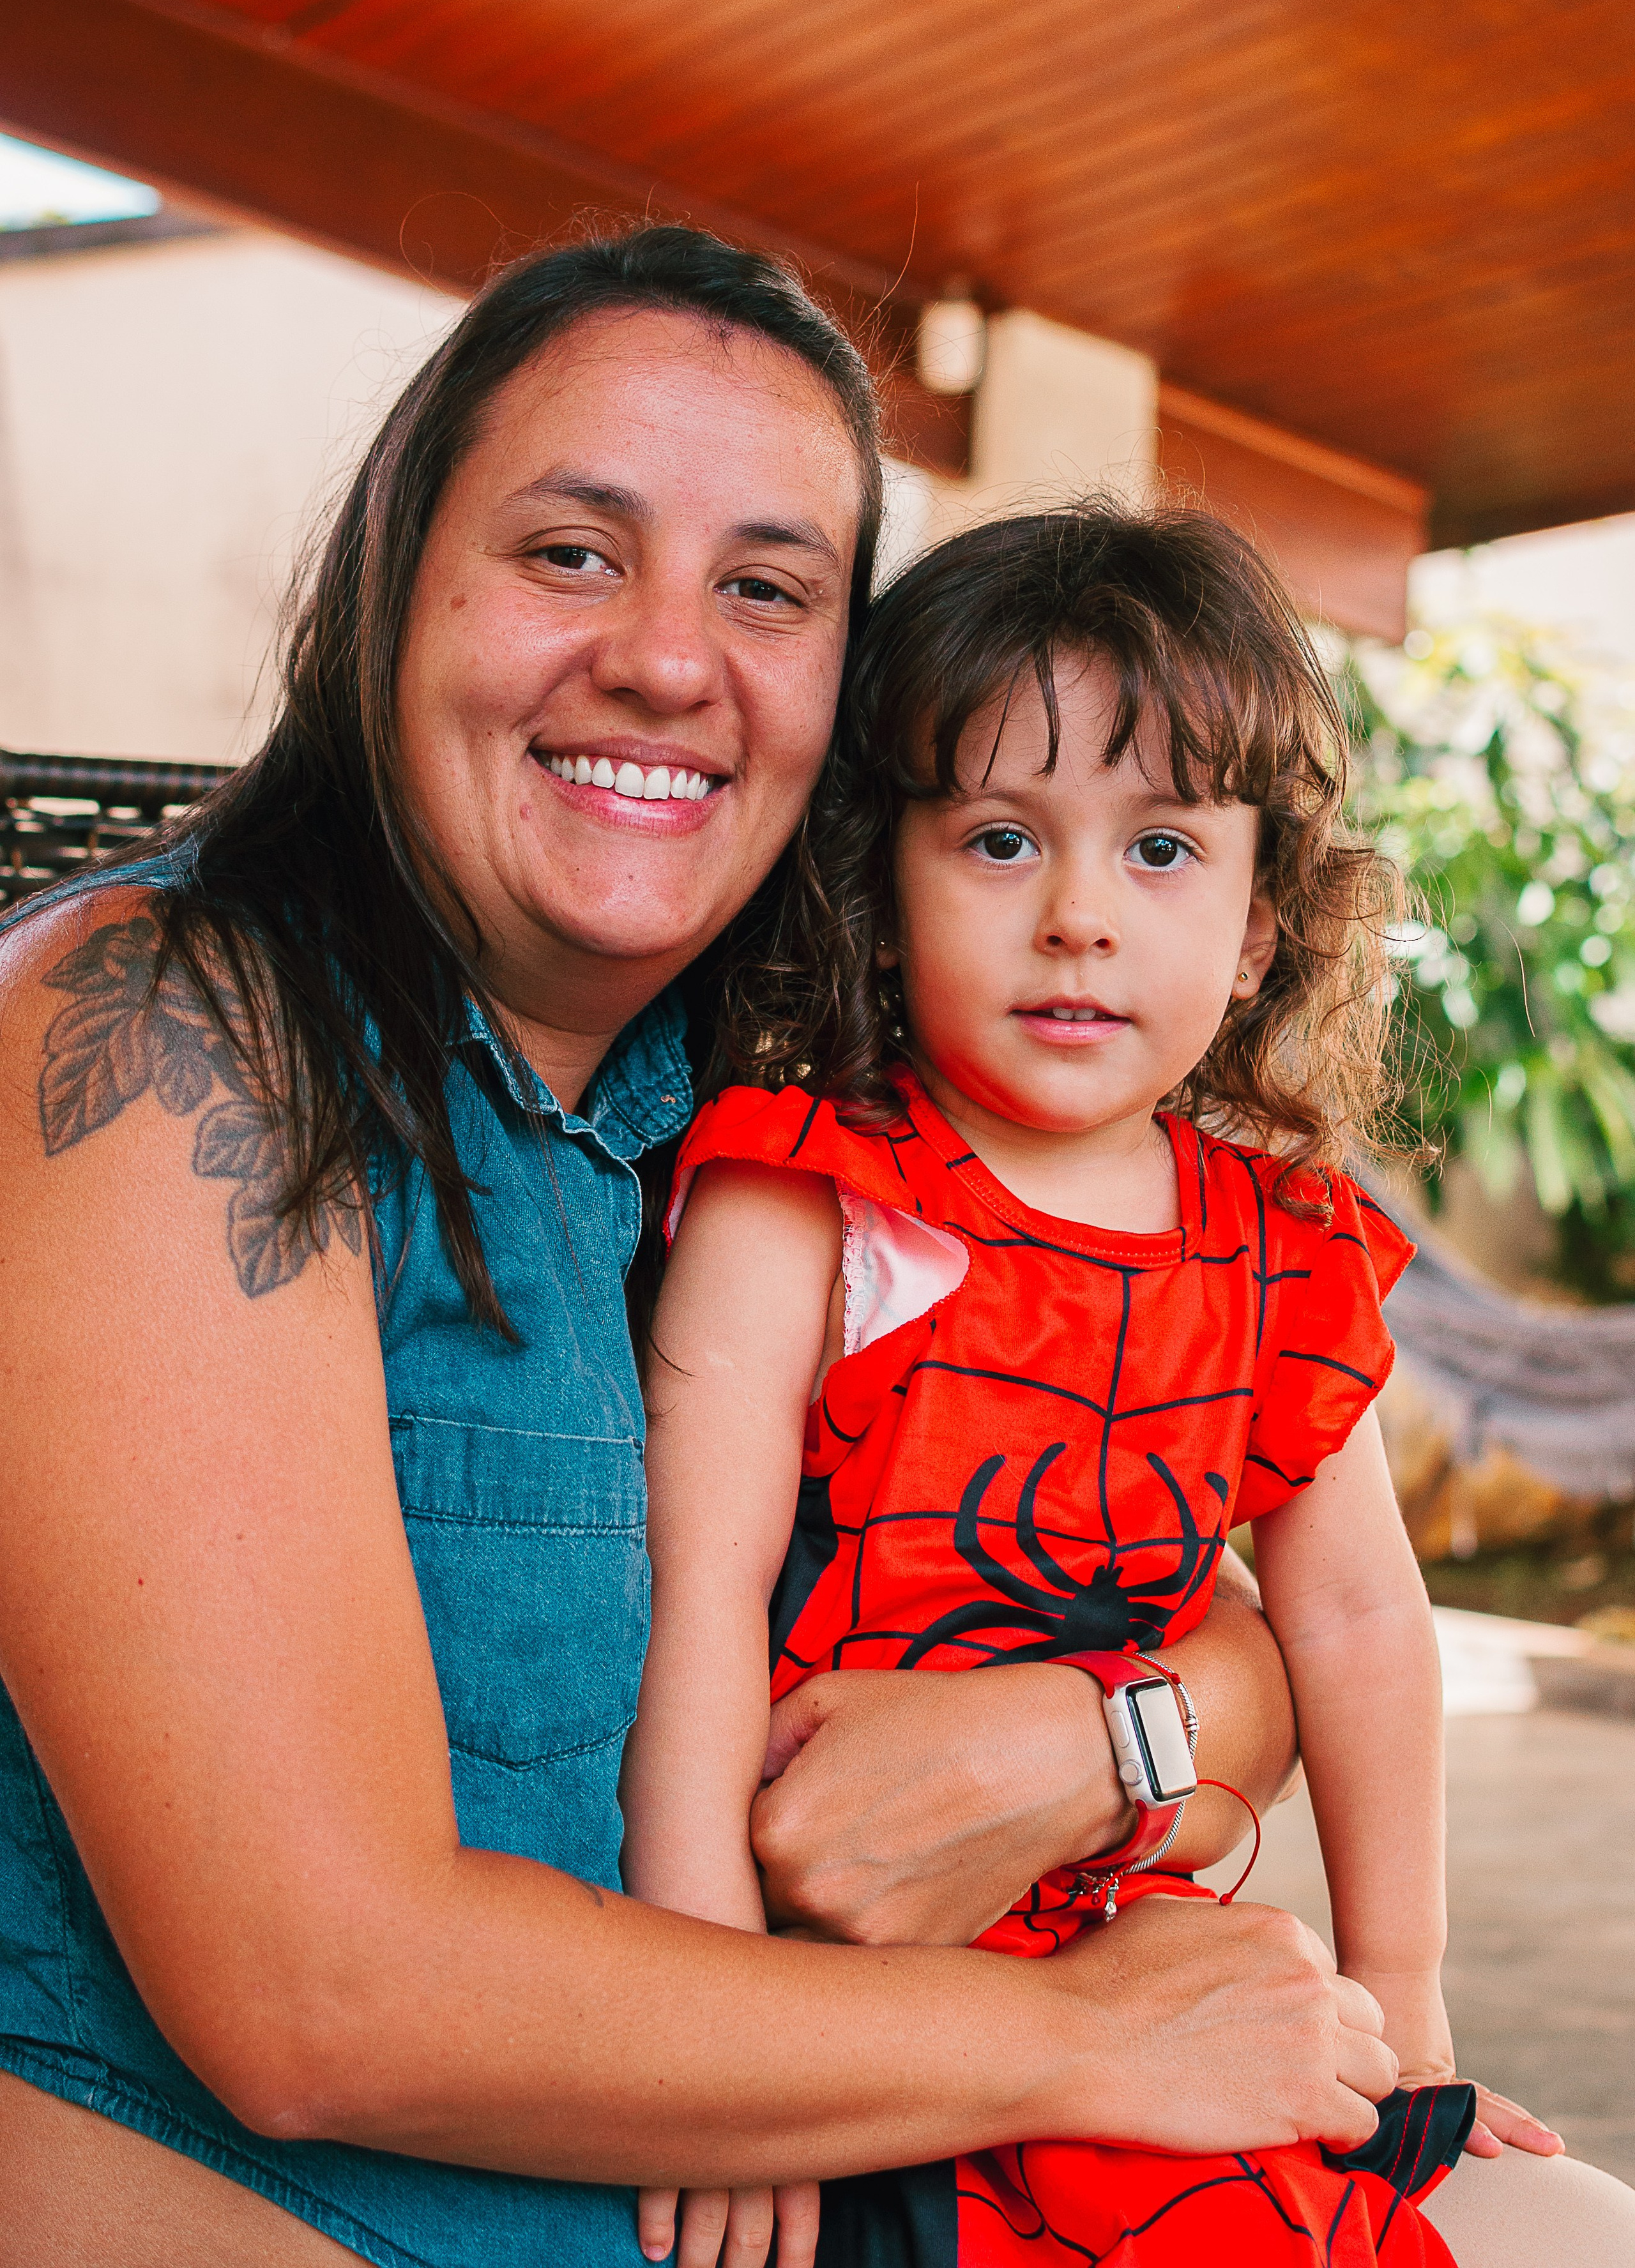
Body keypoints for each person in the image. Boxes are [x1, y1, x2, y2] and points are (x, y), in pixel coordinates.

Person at [0, 228, 1394, 2267]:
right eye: (573, 551)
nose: (671, 658)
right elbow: (321, 1994)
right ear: (397, 588)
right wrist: (1065, 2034)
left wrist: (1086, 1739)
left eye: (765, 590)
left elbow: (1269, 1619)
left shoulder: (772, 1135)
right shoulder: (170, 1035)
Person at [625, 506, 1635, 2267]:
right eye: (1004, 838)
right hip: (848, 1988)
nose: (1080, 917)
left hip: (1138, 1961)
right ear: (882, 899)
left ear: (1261, 930)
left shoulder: (1284, 1247)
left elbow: (1364, 1630)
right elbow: (691, 1605)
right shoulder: (804, 1201)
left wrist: (1405, 2009)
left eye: (1161, 849)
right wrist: (711, 2045)